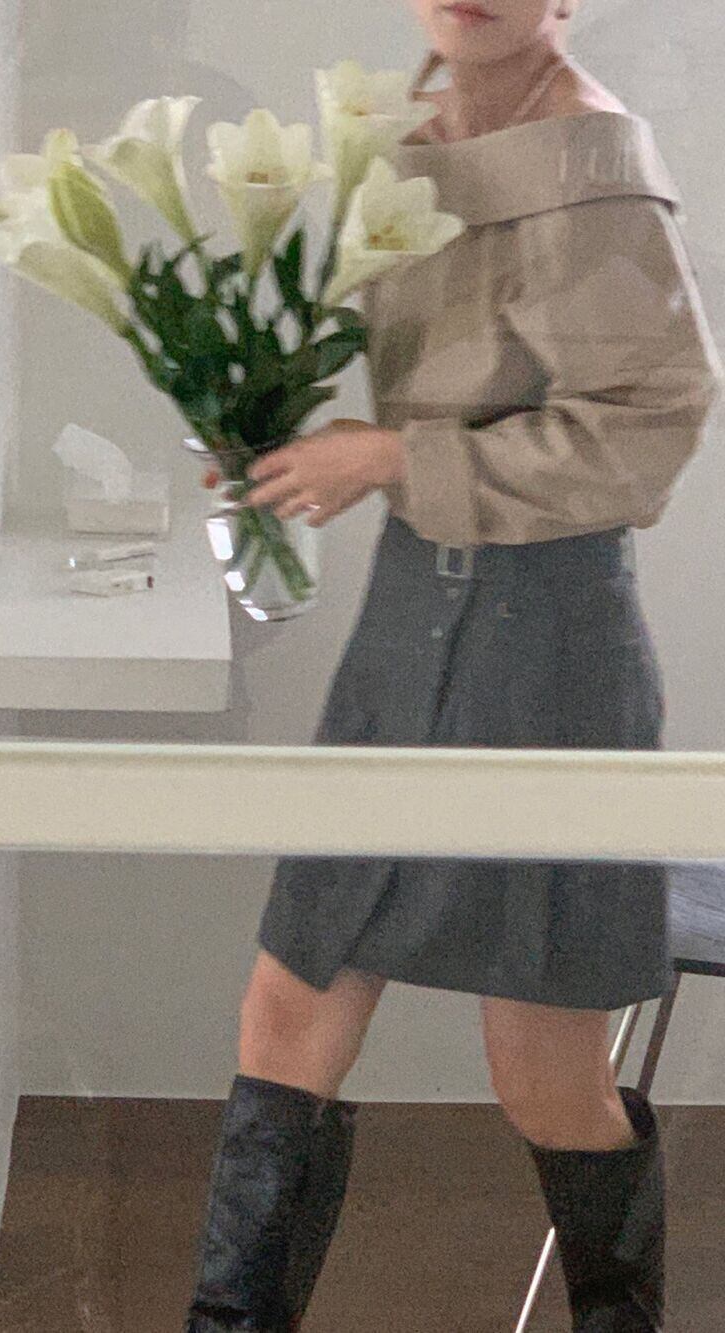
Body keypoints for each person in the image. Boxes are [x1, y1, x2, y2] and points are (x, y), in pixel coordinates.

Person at [184, 3, 724, 1330]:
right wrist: (276, 437)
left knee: (543, 1073)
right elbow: (432, 384)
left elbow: (651, 429)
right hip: (405, 618)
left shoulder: (591, 160)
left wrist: (393, 458)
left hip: (549, 645)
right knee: (288, 1007)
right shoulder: (407, 135)